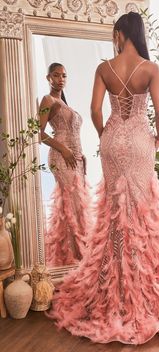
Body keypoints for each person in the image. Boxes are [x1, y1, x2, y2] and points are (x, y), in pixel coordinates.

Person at [48, 13, 159, 344]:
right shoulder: (150, 68)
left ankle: (110, 285)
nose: (114, 38)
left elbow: (94, 109)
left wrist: (104, 132)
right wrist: (158, 137)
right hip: (137, 141)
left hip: (112, 140)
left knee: (112, 210)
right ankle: (140, 287)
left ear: (120, 32)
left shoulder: (104, 67)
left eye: (114, 33)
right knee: (140, 209)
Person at [39, 63, 90, 266]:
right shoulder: (47, 99)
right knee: (71, 204)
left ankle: (75, 254)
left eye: (64, 76)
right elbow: (39, 133)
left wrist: (80, 153)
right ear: (48, 78)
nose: (61, 79)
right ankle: (72, 257)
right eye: (56, 75)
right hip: (61, 157)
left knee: (77, 206)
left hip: (75, 158)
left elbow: (74, 133)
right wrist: (64, 149)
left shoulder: (64, 102)